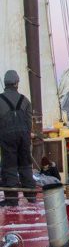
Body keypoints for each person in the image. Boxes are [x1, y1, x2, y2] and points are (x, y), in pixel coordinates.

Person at [0, 70, 36, 206]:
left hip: (6, 138)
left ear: (5, 83)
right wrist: (26, 136)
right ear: (17, 83)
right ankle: (31, 197)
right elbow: (28, 123)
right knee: (26, 166)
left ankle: (12, 200)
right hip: (24, 138)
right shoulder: (25, 100)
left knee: (9, 168)